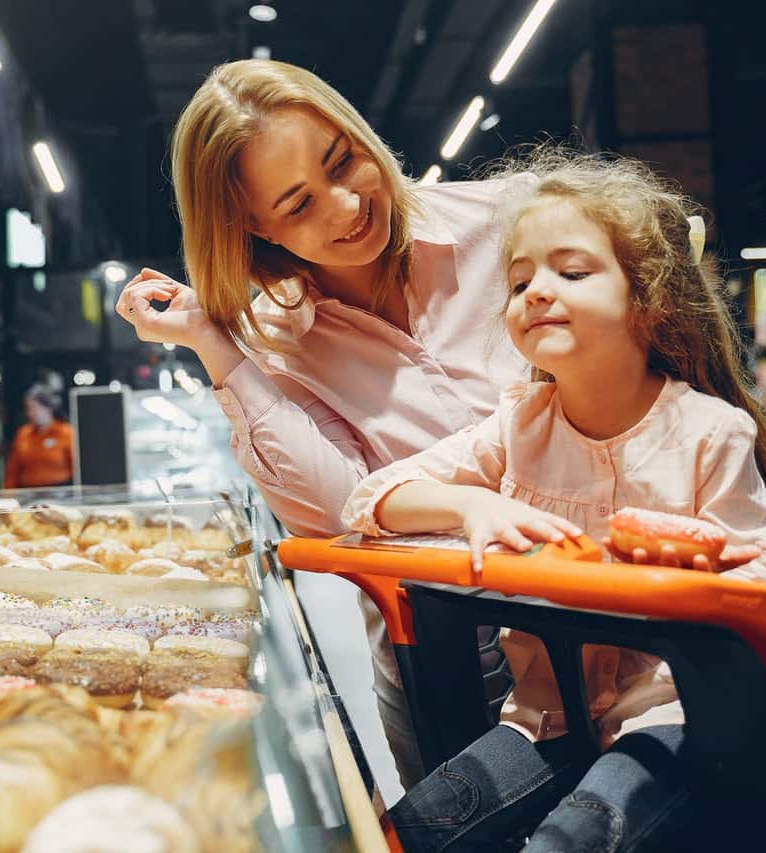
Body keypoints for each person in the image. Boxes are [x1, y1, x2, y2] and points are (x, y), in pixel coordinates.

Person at [342, 148, 766, 852]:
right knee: (408, 831)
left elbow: (757, 603)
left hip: (675, 723)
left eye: (572, 272)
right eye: (519, 280)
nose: (535, 292)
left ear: (647, 299)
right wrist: (471, 508)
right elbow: (372, 498)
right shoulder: (517, 425)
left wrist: (666, 571)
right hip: (543, 719)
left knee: (566, 841)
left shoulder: (710, 433)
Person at [115, 58, 536, 788]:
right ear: (253, 225)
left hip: (616, 643)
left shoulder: (513, 222)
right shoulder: (275, 343)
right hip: (440, 665)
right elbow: (334, 512)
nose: (345, 206)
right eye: (299, 204)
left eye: (343, 160)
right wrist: (217, 346)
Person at [4, 384, 74, 489]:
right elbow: (12, 470)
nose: (31, 413)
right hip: (27, 492)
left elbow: (77, 468)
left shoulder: (66, 432)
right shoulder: (23, 433)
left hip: (60, 492)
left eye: (35, 408)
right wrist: (7, 494)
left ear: (49, 407)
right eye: (28, 408)